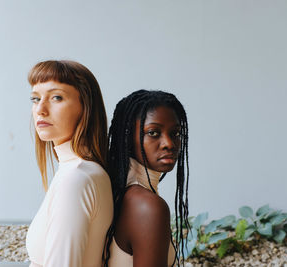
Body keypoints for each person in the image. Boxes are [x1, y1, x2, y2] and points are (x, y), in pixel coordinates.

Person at [25, 60, 113, 267]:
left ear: (85, 107)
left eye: (56, 97)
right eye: (35, 99)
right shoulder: (79, 171)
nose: (41, 109)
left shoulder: (76, 178)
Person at [104, 90, 190, 267]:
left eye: (175, 133)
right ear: (127, 137)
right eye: (153, 132)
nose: (169, 143)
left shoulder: (121, 189)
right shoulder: (147, 206)